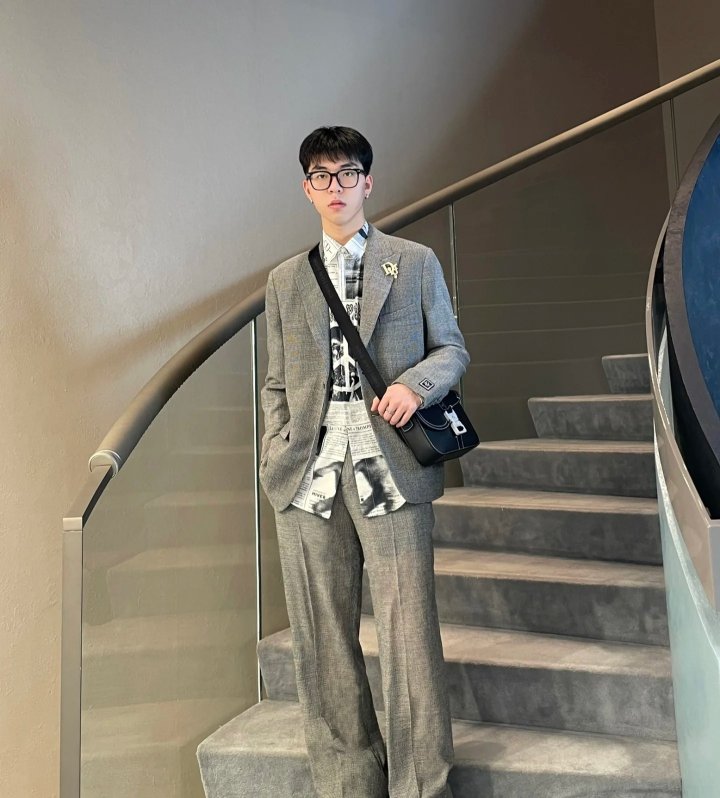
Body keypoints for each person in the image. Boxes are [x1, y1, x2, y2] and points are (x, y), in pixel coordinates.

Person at [259, 126, 468, 798]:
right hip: (307, 477)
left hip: (391, 468)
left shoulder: (412, 261)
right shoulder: (285, 280)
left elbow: (452, 349)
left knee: (409, 635)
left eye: (347, 173)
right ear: (307, 189)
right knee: (321, 641)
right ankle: (349, 782)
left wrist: (414, 386)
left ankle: (421, 784)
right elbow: (275, 382)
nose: (336, 187)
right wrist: (276, 448)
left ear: (367, 183)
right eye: (322, 176)